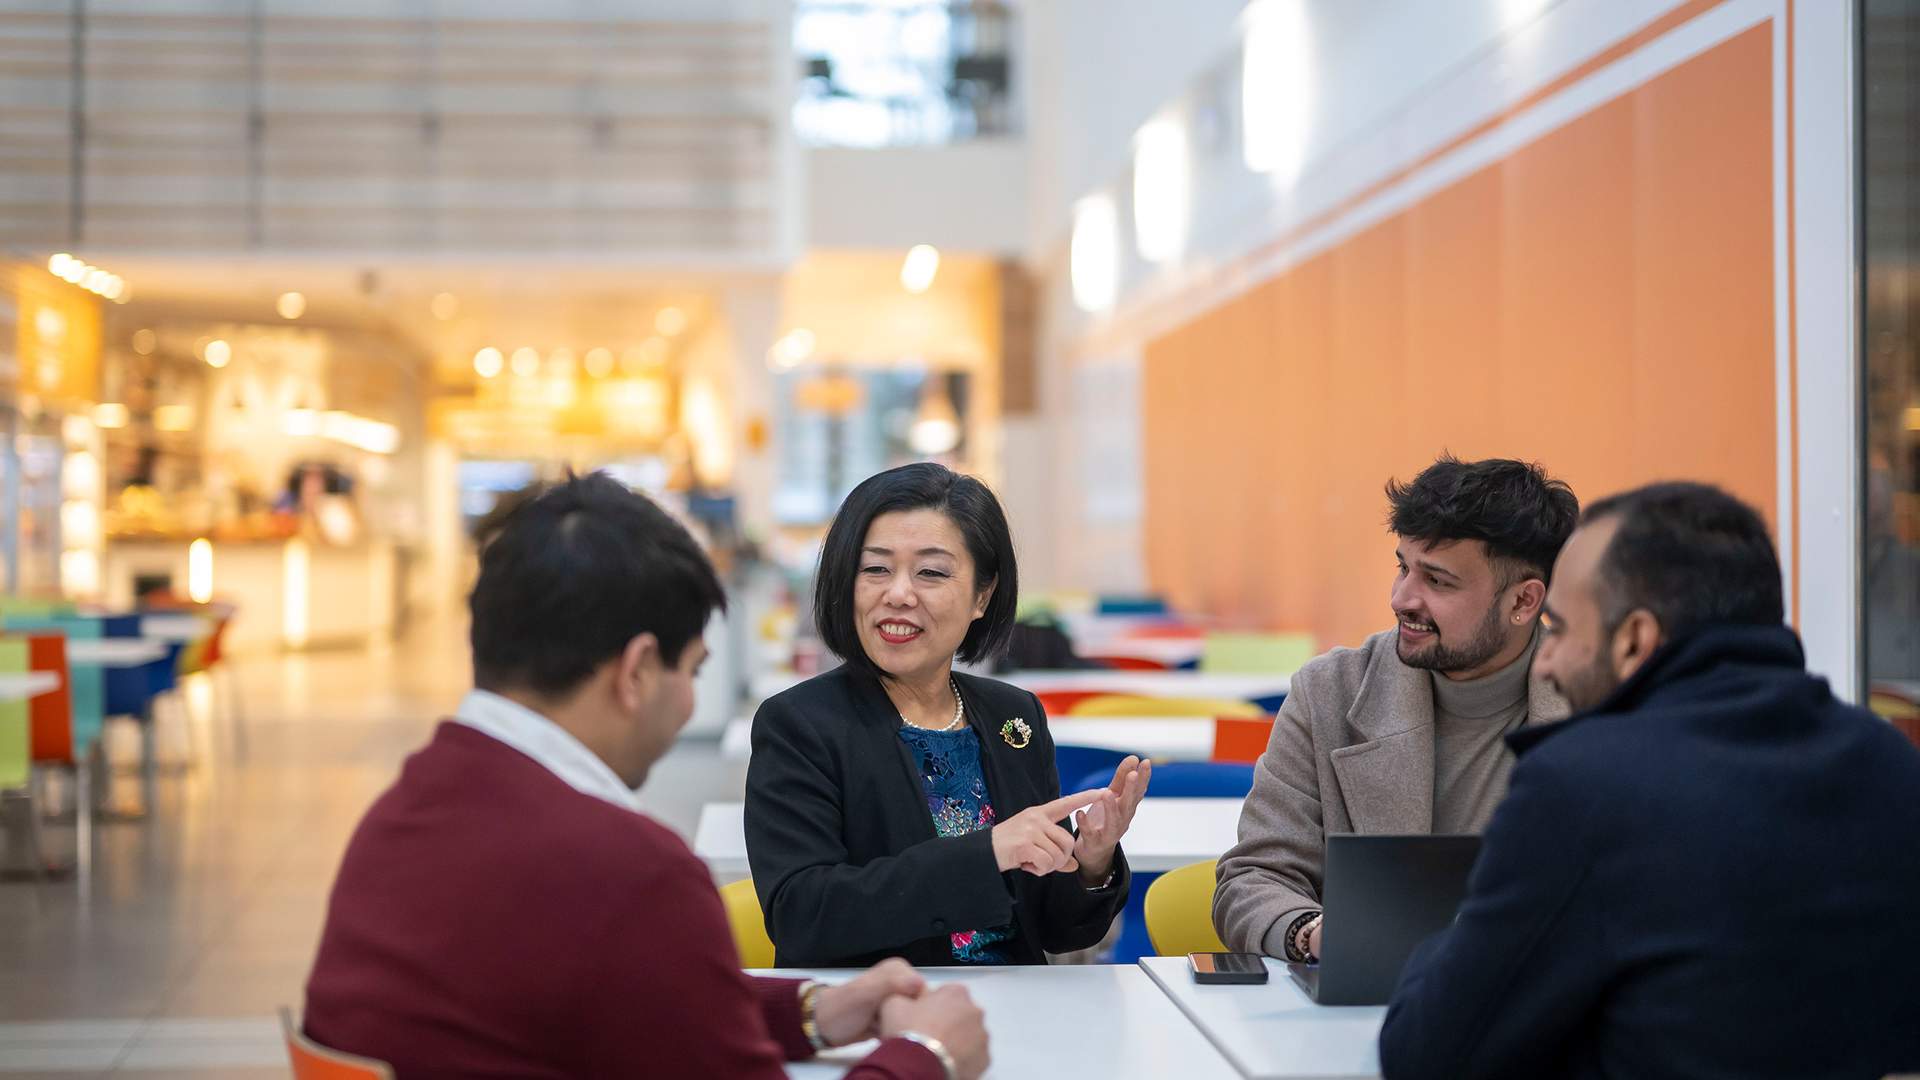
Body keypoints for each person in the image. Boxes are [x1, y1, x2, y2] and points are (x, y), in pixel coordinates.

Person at [303, 473, 989, 1080]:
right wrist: (926, 1053)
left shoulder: (403, 812)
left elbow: (629, 993)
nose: (690, 698)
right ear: (635, 673)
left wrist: (812, 1011)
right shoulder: (629, 873)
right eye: (690, 671)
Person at [1379, 482, 1920, 1080]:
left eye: (1558, 629)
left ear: (1635, 639)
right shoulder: (1889, 762)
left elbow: (1428, 1054)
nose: (1549, 661)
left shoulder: (1584, 786)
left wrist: (1448, 940)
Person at [746, 463, 1148, 967]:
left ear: (982, 595)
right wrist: (989, 854)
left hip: (1019, 1015)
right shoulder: (800, 724)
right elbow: (802, 915)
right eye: (875, 569)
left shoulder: (1013, 717)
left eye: (931, 572)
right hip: (880, 1012)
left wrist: (1091, 862)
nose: (897, 594)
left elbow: (1054, 929)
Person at [1213, 455, 1578, 962]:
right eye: (1403, 567)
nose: (1402, 598)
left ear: (1523, 601)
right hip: (1368, 1008)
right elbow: (1254, 878)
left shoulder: (1606, 707)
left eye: (1438, 581)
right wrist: (1313, 933)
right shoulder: (1329, 693)